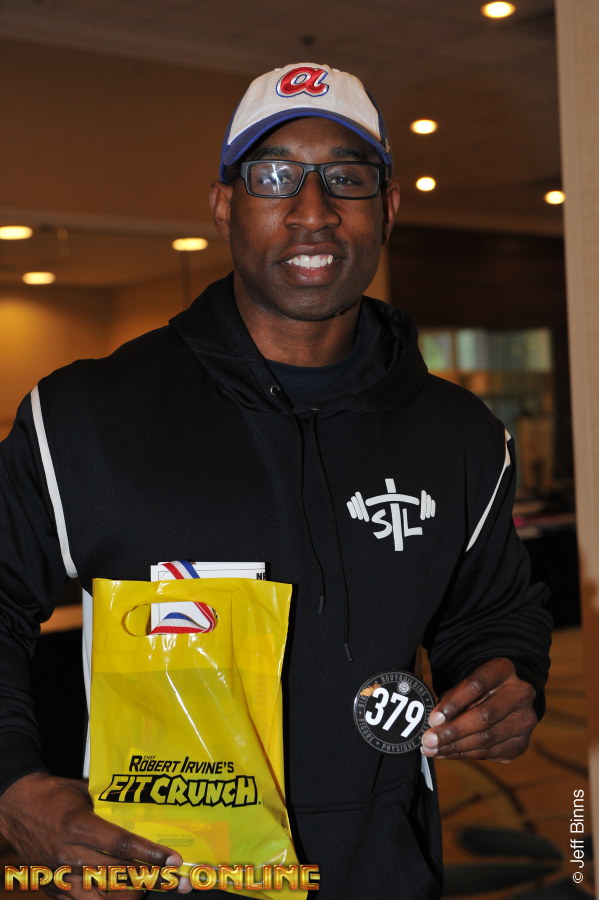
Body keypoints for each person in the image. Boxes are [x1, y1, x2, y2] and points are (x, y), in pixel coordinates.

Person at [0, 62, 551, 899]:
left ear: (386, 208)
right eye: (273, 176)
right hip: (162, 876)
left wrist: (507, 680)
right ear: (224, 204)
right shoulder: (83, 415)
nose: (312, 210)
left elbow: (489, 612)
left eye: (346, 177)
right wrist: (12, 785)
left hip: (383, 871)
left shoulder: (460, 435)